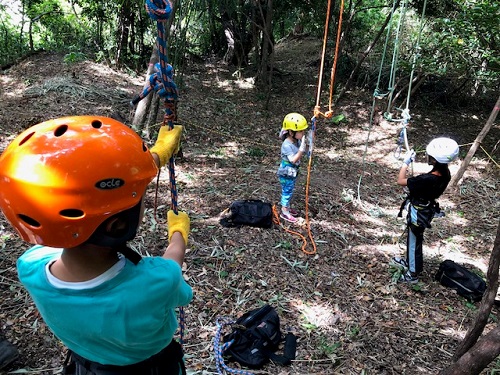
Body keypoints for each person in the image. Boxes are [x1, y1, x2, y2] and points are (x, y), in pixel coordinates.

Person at [0, 116, 192, 374]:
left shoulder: (30, 266)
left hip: (85, 366)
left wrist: (156, 157)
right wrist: (178, 233)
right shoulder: (155, 282)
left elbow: (86, 187)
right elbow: (173, 270)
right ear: (116, 226)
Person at [392, 137, 459, 283]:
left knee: (413, 241)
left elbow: (400, 181)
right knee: (414, 239)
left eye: (430, 156)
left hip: (419, 212)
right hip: (425, 210)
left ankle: (412, 274)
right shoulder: (445, 173)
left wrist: (405, 163)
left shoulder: (427, 180)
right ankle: (411, 263)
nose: (427, 156)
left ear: (434, 160)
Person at [277, 113, 310, 223]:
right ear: (291, 132)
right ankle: (284, 211)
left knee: (290, 189)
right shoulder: (286, 145)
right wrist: (301, 150)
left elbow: (306, 151)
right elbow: (293, 159)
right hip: (286, 171)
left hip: (293, 171)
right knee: (287, 190)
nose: (302, 133)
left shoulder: (296, 140)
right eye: (300, 131)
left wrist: (309, 141)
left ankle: (287, 207)